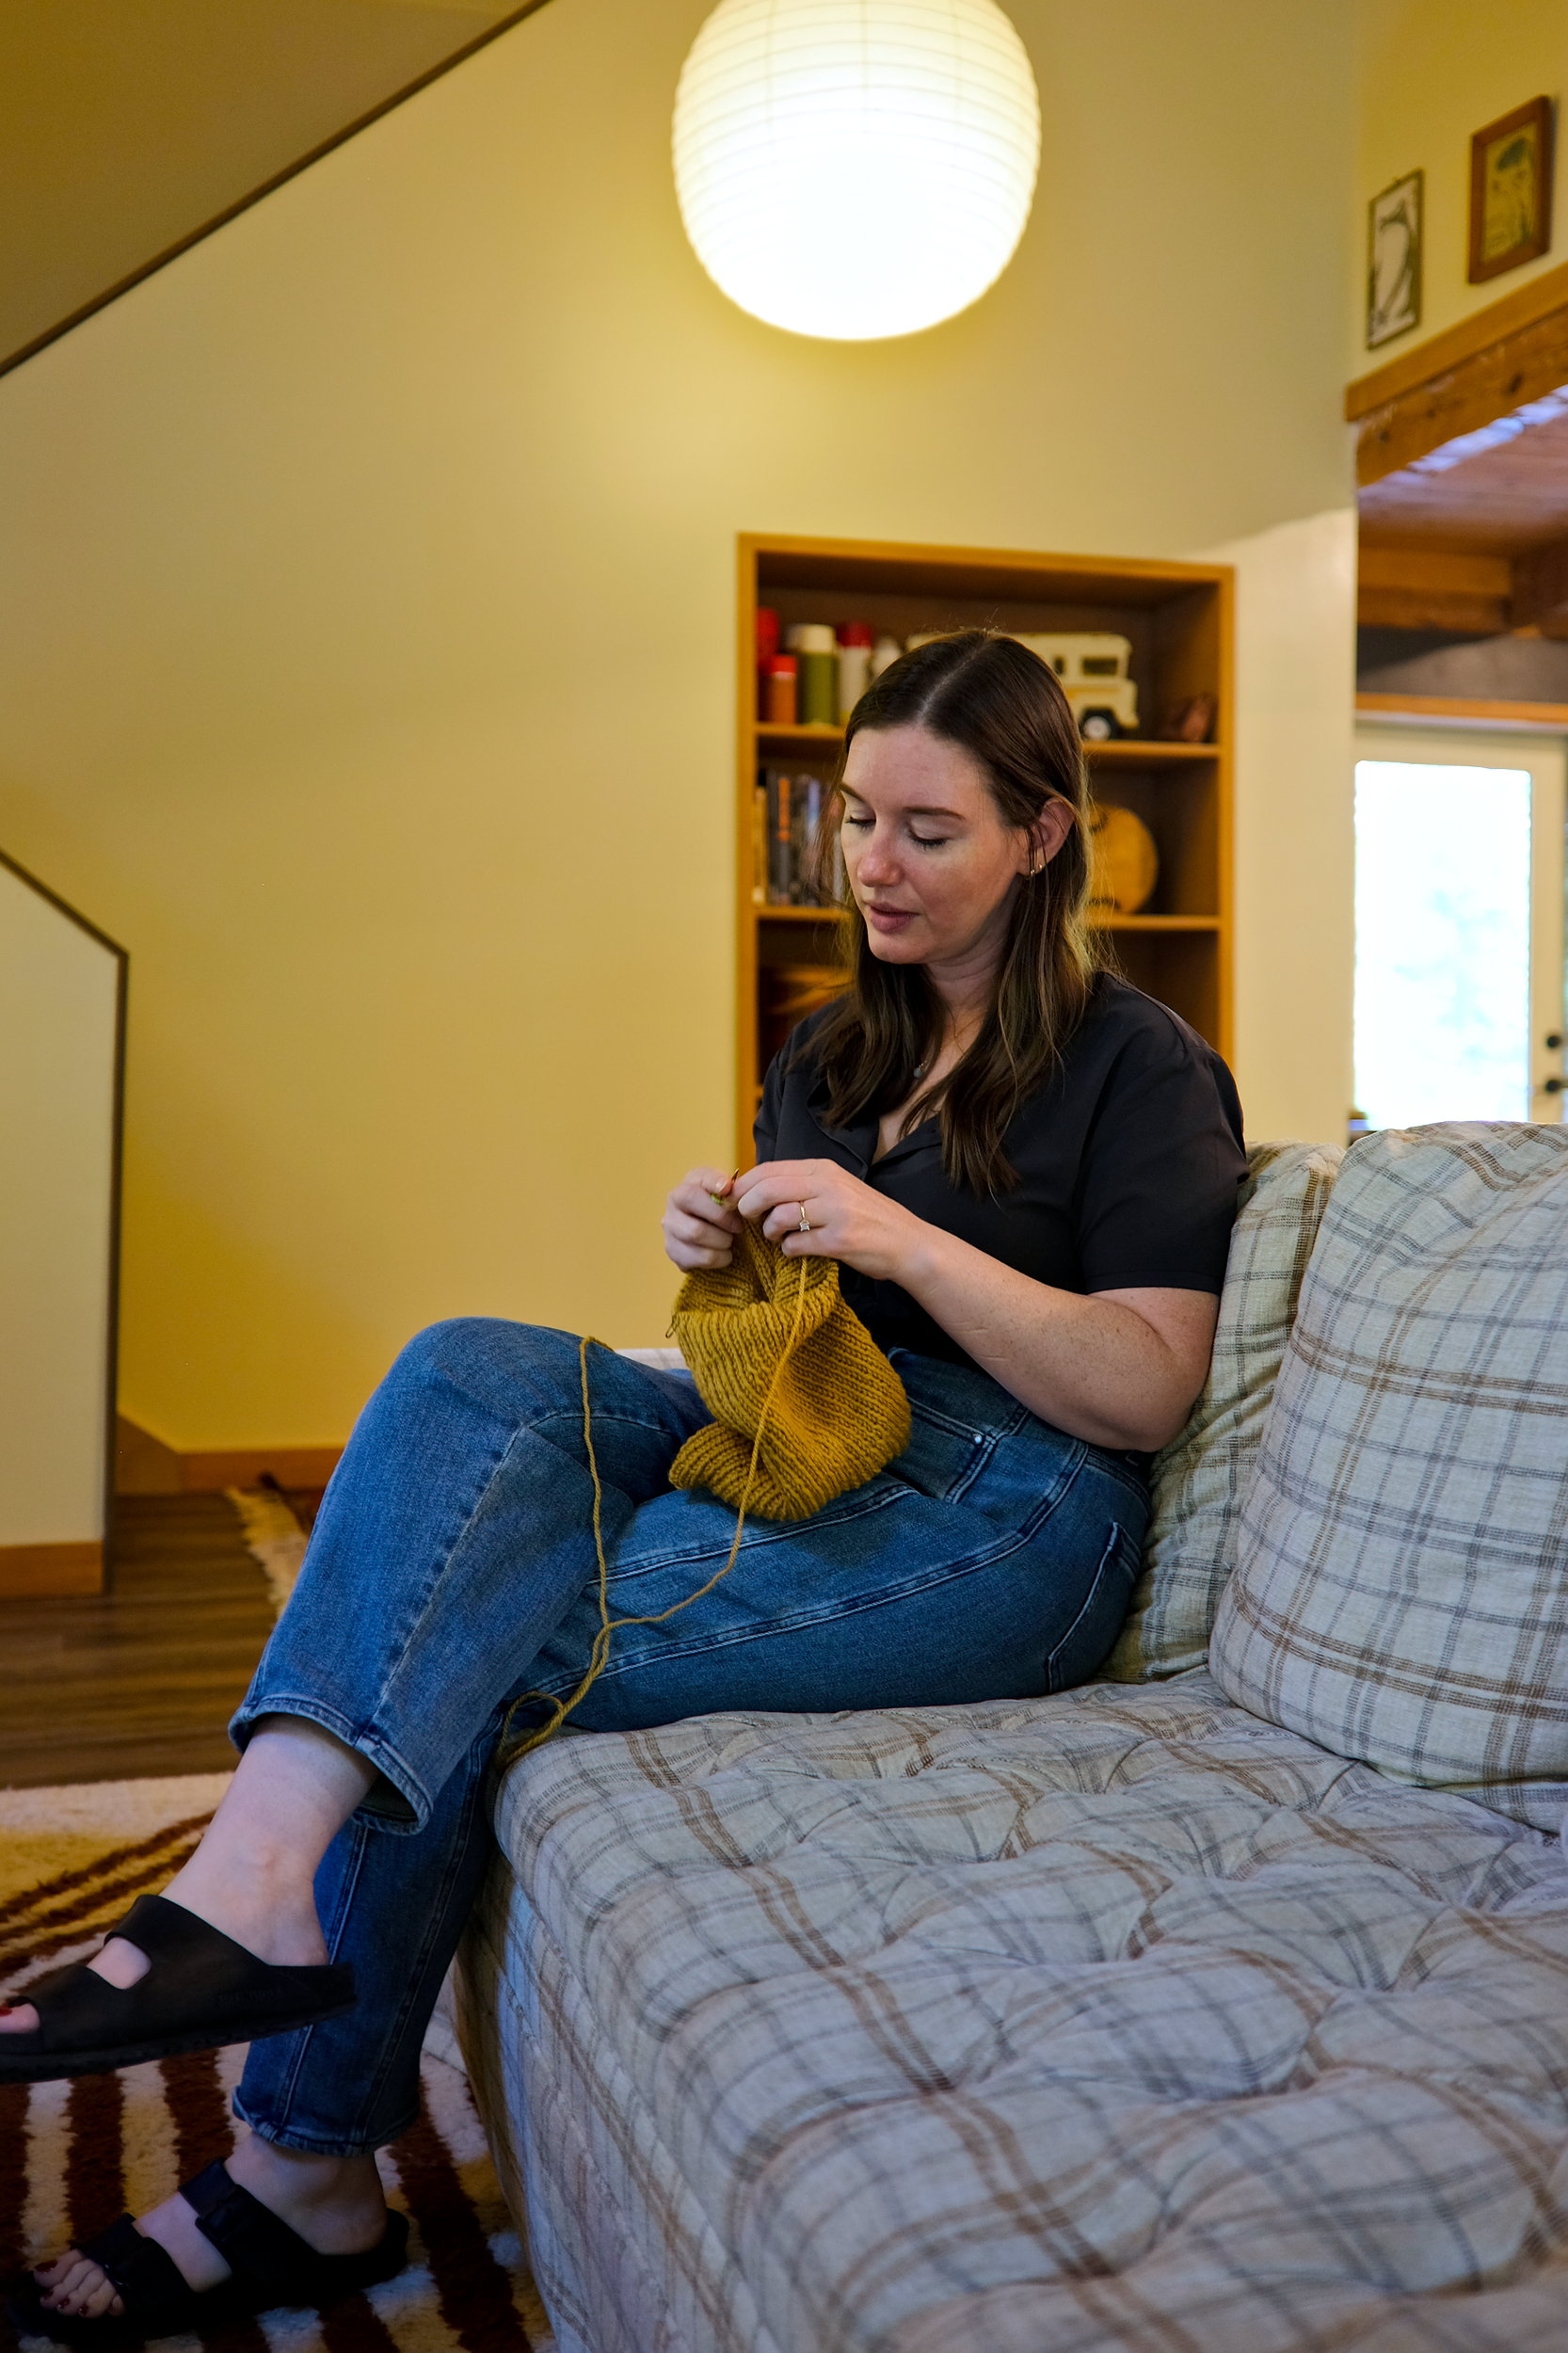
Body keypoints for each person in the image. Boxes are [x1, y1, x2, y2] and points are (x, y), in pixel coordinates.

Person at [3, 631, 1247, 2340]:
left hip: (1008, 1508)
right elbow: (788, 1332)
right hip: (820, 1420)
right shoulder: (836, 1047)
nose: (868, 864)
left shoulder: (1140, 1066)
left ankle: (302, 2162)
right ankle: (254, 1868)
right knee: (464, 1364)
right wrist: (719, 1245)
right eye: (853, 817)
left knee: (491, 1642)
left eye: (927, 831)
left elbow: (1146, 1382)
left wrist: (904, 1241)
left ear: (1042, 836)